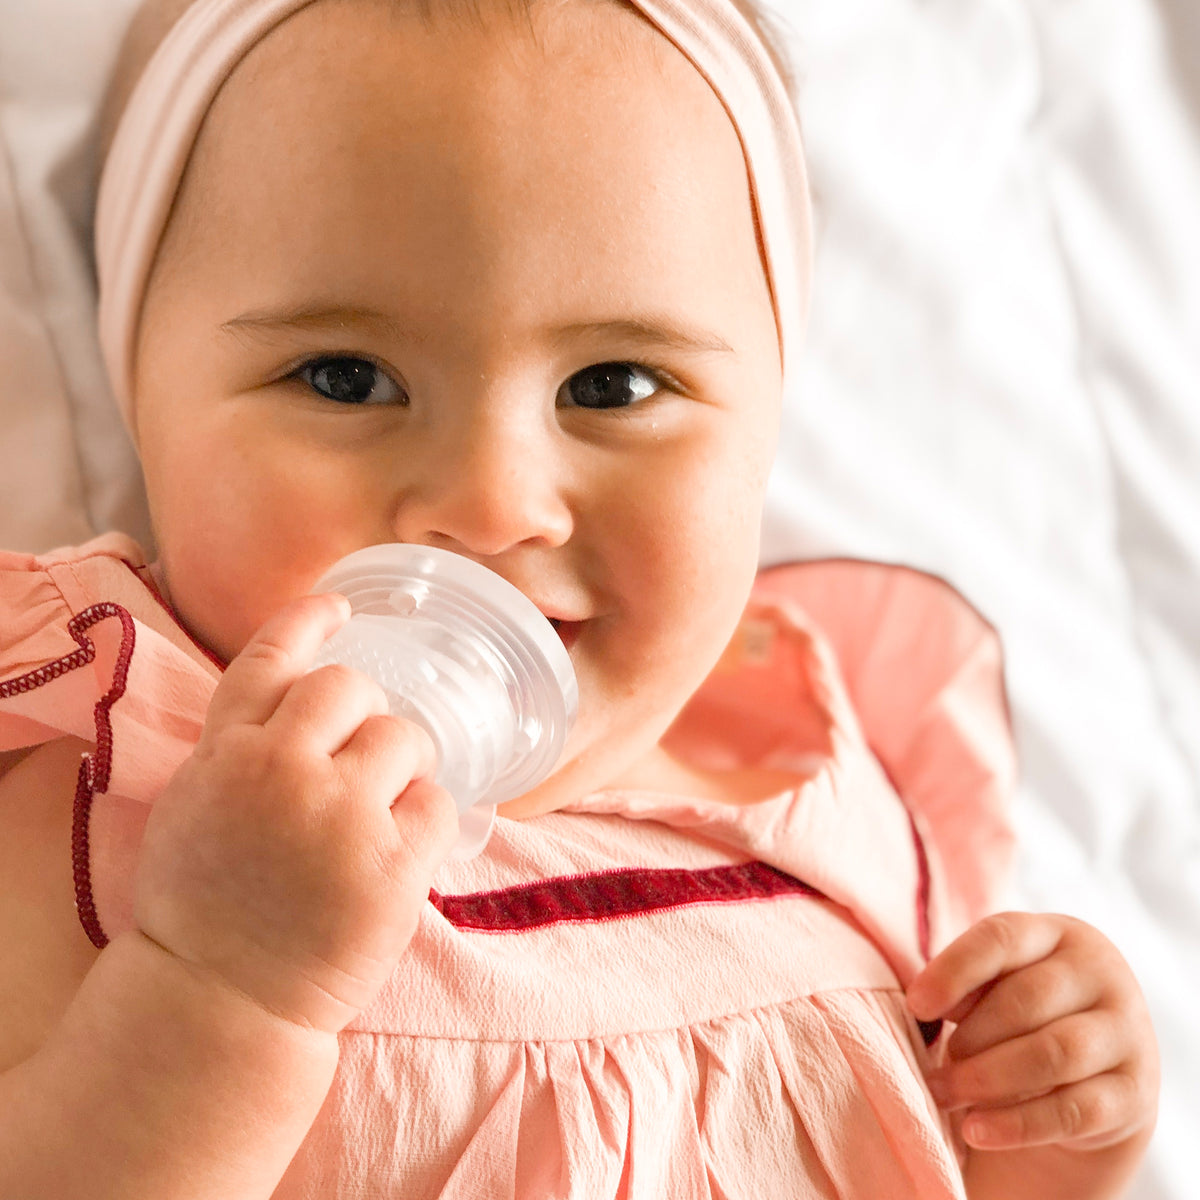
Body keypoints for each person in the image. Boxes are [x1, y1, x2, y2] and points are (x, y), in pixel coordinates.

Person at [0, 0, 1159, 1196]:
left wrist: (1054, 1126)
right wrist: (218, 987)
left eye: (613, 383)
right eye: (345, 378)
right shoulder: (130, 792)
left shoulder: (828, 768)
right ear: (147, 409)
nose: (494, 502)